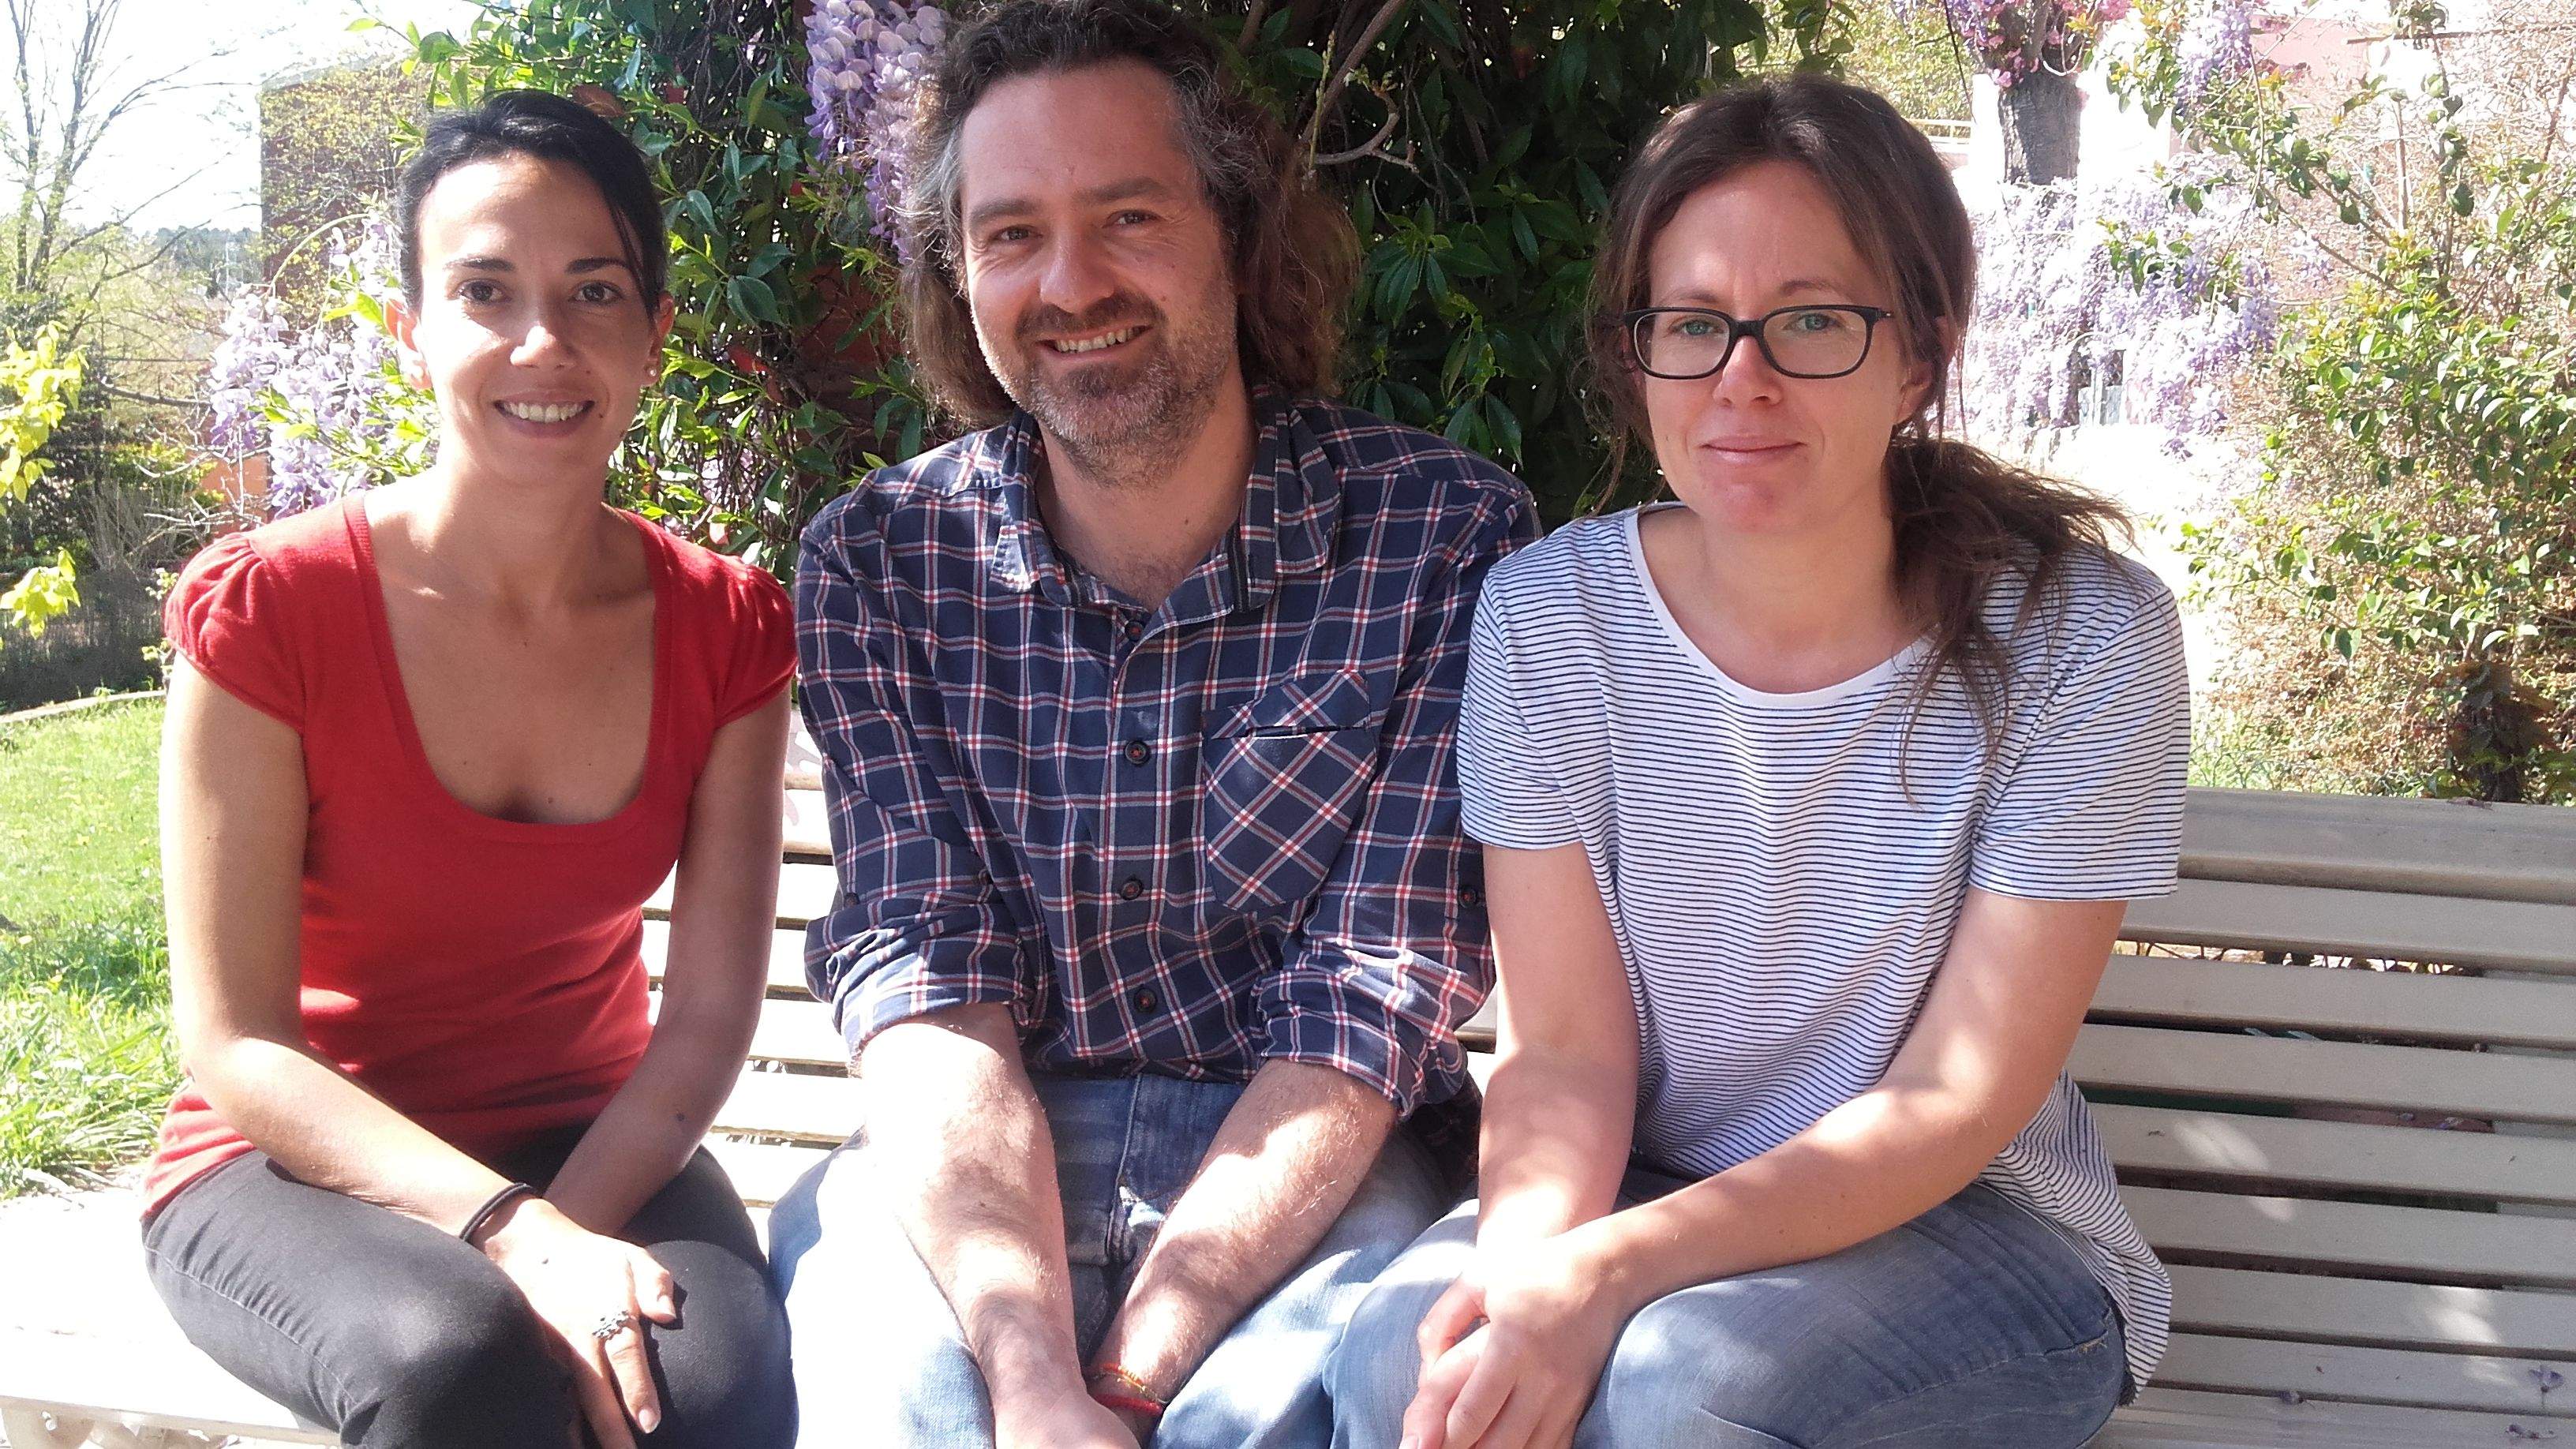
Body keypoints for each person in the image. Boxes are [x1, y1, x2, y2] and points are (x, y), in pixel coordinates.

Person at [1330, 75, 2189, 1449]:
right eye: (1693, 325)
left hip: (1984, 1240)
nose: (1744, 377)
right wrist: (1534, 1274)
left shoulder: (2084, 639)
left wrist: (1610, 1272)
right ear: (1639, 355)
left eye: (1811, 320)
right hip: (1637, 1181)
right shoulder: (1549, 617)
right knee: (1404, 1360)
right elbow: (1561, 1055)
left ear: (1921, 354)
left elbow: (1952, 1099)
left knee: (1687, 1393)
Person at [767, 1, 1537, 1444]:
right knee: (896, 1415)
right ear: (962, 273)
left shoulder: (1442, 536)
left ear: (1237, 237)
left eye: (1128, 216)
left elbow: (1373, 992)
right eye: (1011, 235)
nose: (1072, 283)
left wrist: (1120, 1380)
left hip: (1319, 1156)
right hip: (982, 1145)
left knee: (1261, 1422)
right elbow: (930, 981)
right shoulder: (881, 560)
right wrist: (1030, 1376)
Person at [145, 90, 797, 1449]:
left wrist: (565, 1231)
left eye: (596, 291)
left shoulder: (727, 628)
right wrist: (510, 1239)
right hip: (290, 1166)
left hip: (590, 1140)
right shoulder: (270, 613)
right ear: (413, 329)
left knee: (714, 1392)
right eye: (485, 290)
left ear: (654, 333)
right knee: (460, 1361)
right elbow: (237, 1040)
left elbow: (706, 1022)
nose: (542, 344)